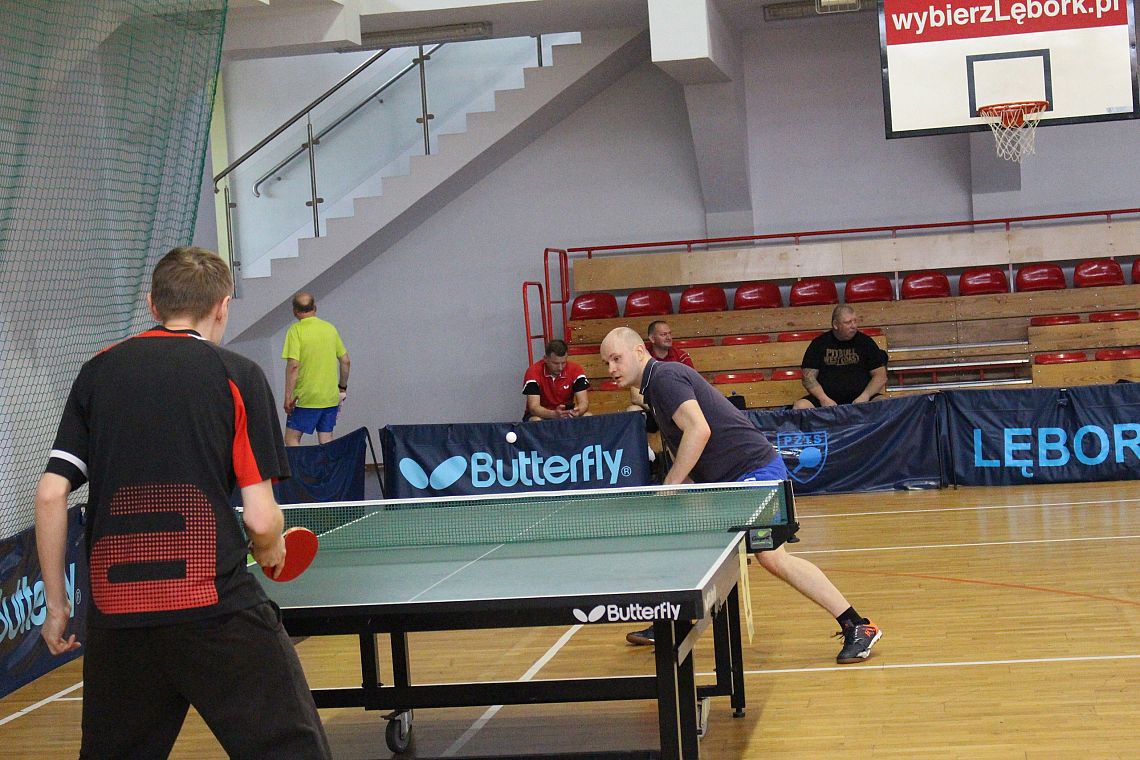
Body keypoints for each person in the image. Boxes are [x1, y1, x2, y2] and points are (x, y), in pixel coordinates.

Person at [35, 247, 331, 758]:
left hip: (117, 616)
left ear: (153, 304)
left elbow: (50, 494)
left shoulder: (97, 372)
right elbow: (262, 520)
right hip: (214, 610)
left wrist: (58, 606)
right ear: (223, 305)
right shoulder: (236, 374)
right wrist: (270, 546)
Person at [599, 326, 882, 665]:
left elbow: (698, 430)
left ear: (639, 352)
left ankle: (857, 625)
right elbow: (683, 445)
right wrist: (683, 489)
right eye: (606, 363)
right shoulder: (654, 388)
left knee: (772, 557)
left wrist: (671, 484)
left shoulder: (664, 378)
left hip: (754, 473)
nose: (611, 369)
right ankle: (671, 623)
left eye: (616, 359)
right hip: (731, 481)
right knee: (691, 542)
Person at [282, 291, 351, 445]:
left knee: (292, 438)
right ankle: (328, 463)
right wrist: (342, 387)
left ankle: (300, 463)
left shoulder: (295, 331)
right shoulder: (330, 328)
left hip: (305, 398)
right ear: (315, 308)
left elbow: (293, 366)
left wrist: (288, 397)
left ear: (295, 311)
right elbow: (345, 361)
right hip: (330, 397)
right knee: (326, 440)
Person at [793, 305, 888, 410]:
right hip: (826, 401)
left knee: (885, 403)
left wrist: (865, 396)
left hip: (862, 399)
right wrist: (823, 399)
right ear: (835, 324)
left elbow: (880, 376)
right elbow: (808, 378)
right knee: (800, 407)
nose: (853, 326)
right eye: (848, 322)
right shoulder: (819, 344)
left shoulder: (866, 342)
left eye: (855, 321)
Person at [523, 339, 591, 421]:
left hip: (566, 415)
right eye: (555, 363)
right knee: (536, 420)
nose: (560, 368)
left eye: (563, 363)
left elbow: (584, 403)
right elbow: (534, 408)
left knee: (588, 416)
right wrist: (554, 414)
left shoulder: (576, 370)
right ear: (545, 359)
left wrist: (578, 411)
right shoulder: (533, 372)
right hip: (542, 416)